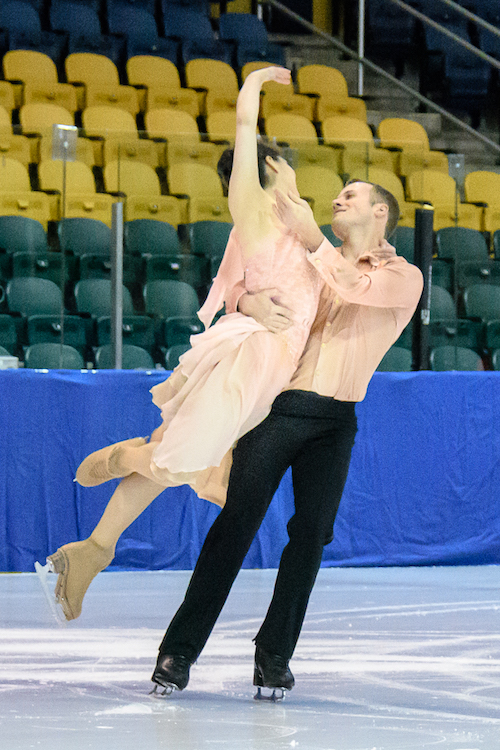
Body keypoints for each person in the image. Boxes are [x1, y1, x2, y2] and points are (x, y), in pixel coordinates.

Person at [36, 66, 325, 624]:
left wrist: (247, 300)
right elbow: (244, 128)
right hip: (254, 359)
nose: (293, 172)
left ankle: (94, 550)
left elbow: (274, 289)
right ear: (269, 168)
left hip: (274, 366)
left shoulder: (301, 230)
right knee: (184, 458)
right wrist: (257, 82)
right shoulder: (257, 215)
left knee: (185, 455)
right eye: (282, 164)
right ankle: (127, 457)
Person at [149, 179, 424, 700]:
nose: (338, 198)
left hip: (336, 420)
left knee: (312, 535)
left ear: (381, 212)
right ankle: (179, 651)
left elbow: (353, 287)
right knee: (237, 524)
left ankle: (274, 657)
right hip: (279, 410)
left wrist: (313, 238)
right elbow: (240, 284)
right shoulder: (306, 254)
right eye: (336, 192)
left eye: (351, 195)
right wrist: (248, 301)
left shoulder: (402, 277)